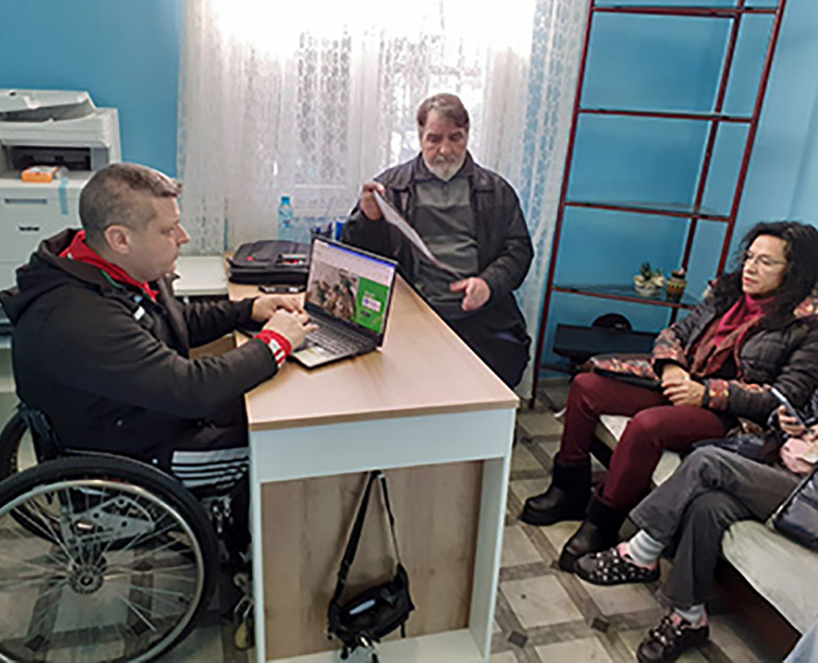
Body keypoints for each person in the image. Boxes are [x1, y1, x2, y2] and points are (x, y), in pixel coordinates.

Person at [0, 163, 314, 497]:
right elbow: (193, 390)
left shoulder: (109, 270)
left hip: (149, 414)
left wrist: (248, 309)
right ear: (120, 239)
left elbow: (174, 320)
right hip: (134, 460)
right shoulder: (78, 318)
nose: (183, 237)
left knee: (263, 405)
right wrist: (276, 342)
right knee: (283, 446)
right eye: (169, 230)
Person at [521, 221, 818, 571]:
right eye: (750, 257)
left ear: (795, 271)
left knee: (649, 425)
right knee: (587, 387)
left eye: (766, 262)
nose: (750, 268)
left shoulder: (806, 326)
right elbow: (675, 332)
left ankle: (602, 522)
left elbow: (784, 397)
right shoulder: (728, 294)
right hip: (683, 384)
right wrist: (672, 367)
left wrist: (705, 393)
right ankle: (568, 490)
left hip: (733, 417)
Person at [572, 391, 818, 663]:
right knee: (708, 506)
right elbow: (799, 410)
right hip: (784, 469)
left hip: (808, 499)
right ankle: (689, 617)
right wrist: (787, 421)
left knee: (707, 462)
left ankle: (642, 552)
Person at [342, 93, 533, 388]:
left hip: (478, 314)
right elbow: (356, 258)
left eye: (455, 138)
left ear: (467, 135)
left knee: (493, 376)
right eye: (434, 139)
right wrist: (369, 219)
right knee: (390, 381)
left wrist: (488, 284)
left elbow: (519, 250)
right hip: (411, 312)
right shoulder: (391, 187)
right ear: (420, 138)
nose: (445, 150)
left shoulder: (496, 190)